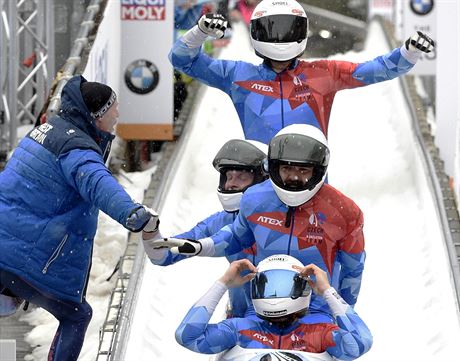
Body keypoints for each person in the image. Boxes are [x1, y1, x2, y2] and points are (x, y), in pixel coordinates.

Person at [0, 75, 159, 361]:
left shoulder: (46, 130)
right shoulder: (77, 150)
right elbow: (101, 185)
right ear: (96, 116)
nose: (118, 114)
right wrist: (135, 215)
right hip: (23, 254)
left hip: (6, 241)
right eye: (114, 108)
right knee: (76, 315)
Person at [151, 124, 365, 318]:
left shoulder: (345, 212)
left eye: (303, 170)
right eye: (287, 169)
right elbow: (235, 235)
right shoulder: (253, 199)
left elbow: (353, 269)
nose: (294, 177)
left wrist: (344, 313)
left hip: (315, 315)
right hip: (258, 314)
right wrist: (201, 246)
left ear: (318, 171)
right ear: (274, 167)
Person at [169, 0, 435, 144]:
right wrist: (199, 32)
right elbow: (182, 59)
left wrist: (407, 53)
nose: (281, 36)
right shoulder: (239, 75)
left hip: (311, 178)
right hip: (258, 183)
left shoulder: (323, 73)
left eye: (288, 29)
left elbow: (374, 70)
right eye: (273, 29)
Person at [143, 138, 267, 317]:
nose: (231, 184)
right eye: (229, 177)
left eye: (241, 177)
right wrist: (150, 232)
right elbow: (164, 256)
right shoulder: (221, 220)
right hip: (241, 319)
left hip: (288, 316)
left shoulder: (288, 218)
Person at [175, 254, 372, 360]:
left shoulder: (319, 334)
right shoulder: (239, 329)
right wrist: (223, 282)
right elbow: (187, 336)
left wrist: (328, 291)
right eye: (270, 287)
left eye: (284, 285)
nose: (276, 297)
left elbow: (360, 344)